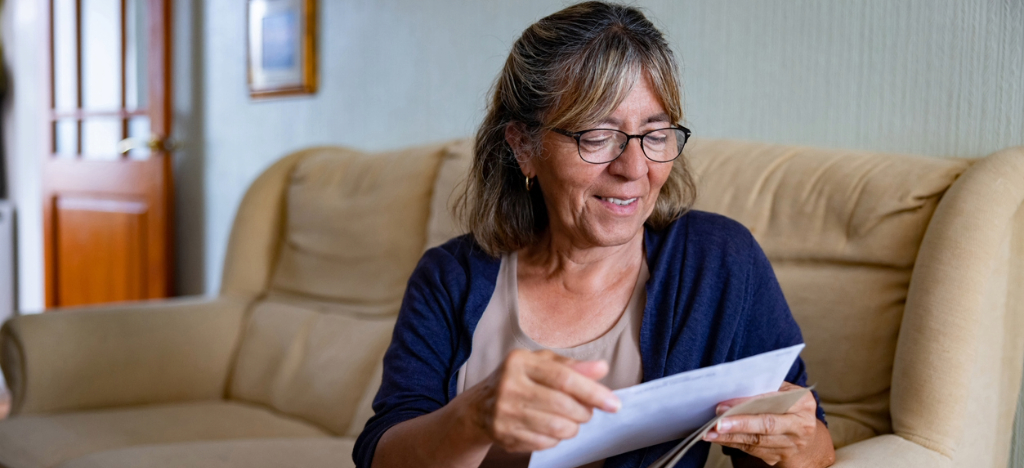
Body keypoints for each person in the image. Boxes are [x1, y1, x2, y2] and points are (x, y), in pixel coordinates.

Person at [354, 2, 836, 467]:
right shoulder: (450, 278)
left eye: (655, 134)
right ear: (524, 146)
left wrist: (797, 445)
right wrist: (475, 418)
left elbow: (809, 443)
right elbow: (382, 456)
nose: (634, 169)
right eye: (597, 136)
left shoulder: (720, 261)